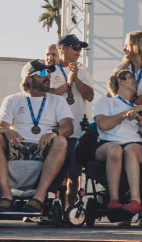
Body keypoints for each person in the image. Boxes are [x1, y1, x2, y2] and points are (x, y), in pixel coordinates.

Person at [0, 60, 73, 213]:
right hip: (16, 145)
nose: (47, 76)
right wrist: (6, 131)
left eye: (48, 73)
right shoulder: (13, 100)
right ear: (28, 79)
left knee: (60, 140)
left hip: (45, 147)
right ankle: (6, 196)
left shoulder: (57, 100)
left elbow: (68, 127)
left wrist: (54, 133)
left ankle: (38, 198)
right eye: (42, 73)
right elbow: (2, 126)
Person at [93, 70, 142, 215]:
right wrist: (126, 114)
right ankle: (113, 199)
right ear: (120, 81)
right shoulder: (106, 101)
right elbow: (103, 125)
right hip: (108, 142)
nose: (135, 80)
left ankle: (135, 200)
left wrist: (140, 120)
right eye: (130, 77)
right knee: (115, 149)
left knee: (130, 150)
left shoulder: (140, 109)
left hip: (134, 144)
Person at [48, 34, 95, 208]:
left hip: (77, 131)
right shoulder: (51, 71)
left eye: (80, 48)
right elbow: (48, 96)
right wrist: (67, 85)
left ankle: (70, 209)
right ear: (63, 49)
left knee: (74, 173)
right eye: (75, 48)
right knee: (53, 172)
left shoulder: (82, 72)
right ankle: (48, 208)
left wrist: (76, 79)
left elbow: (89, 96)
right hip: (57, 130)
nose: (78, 52)